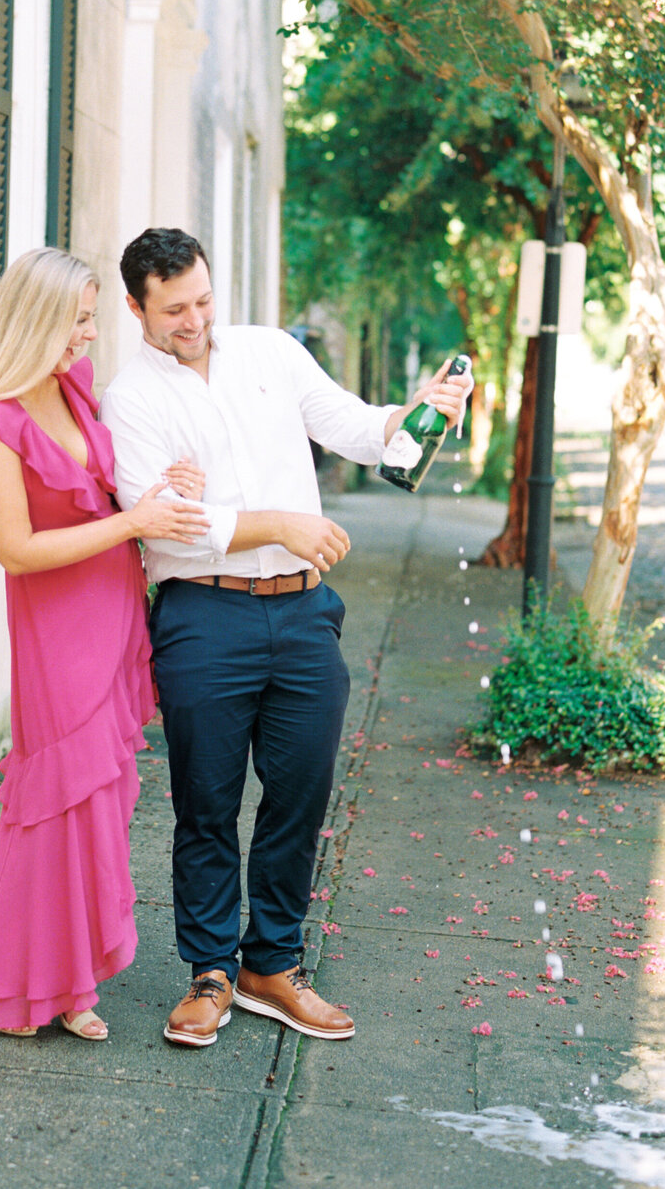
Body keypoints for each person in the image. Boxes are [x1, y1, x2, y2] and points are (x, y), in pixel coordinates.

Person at [100, 228, 473, 1048]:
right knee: (205, 802)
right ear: (136, 308)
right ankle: (209, 974)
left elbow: (358, 428)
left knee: (300, 794)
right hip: (204, 615)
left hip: (304, 613)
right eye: (173, 311)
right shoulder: (130, 398)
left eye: (202, 299)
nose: (194, 319)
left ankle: (273, 966)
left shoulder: (271, 352)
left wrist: (418, 412)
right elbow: (168, 524)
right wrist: (282, 525)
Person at [0, 247, 209, 1039]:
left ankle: (73, 982)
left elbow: (106, 497)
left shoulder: (73, 391)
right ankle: (23, 985)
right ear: (36, 321)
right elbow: (17, 549)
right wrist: (131, 523)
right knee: (58, 805)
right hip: (57, 632)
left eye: (92, 318)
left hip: (115, 614)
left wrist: (162, 491)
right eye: (80, 319)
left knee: (104, 805)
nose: (90, 335)